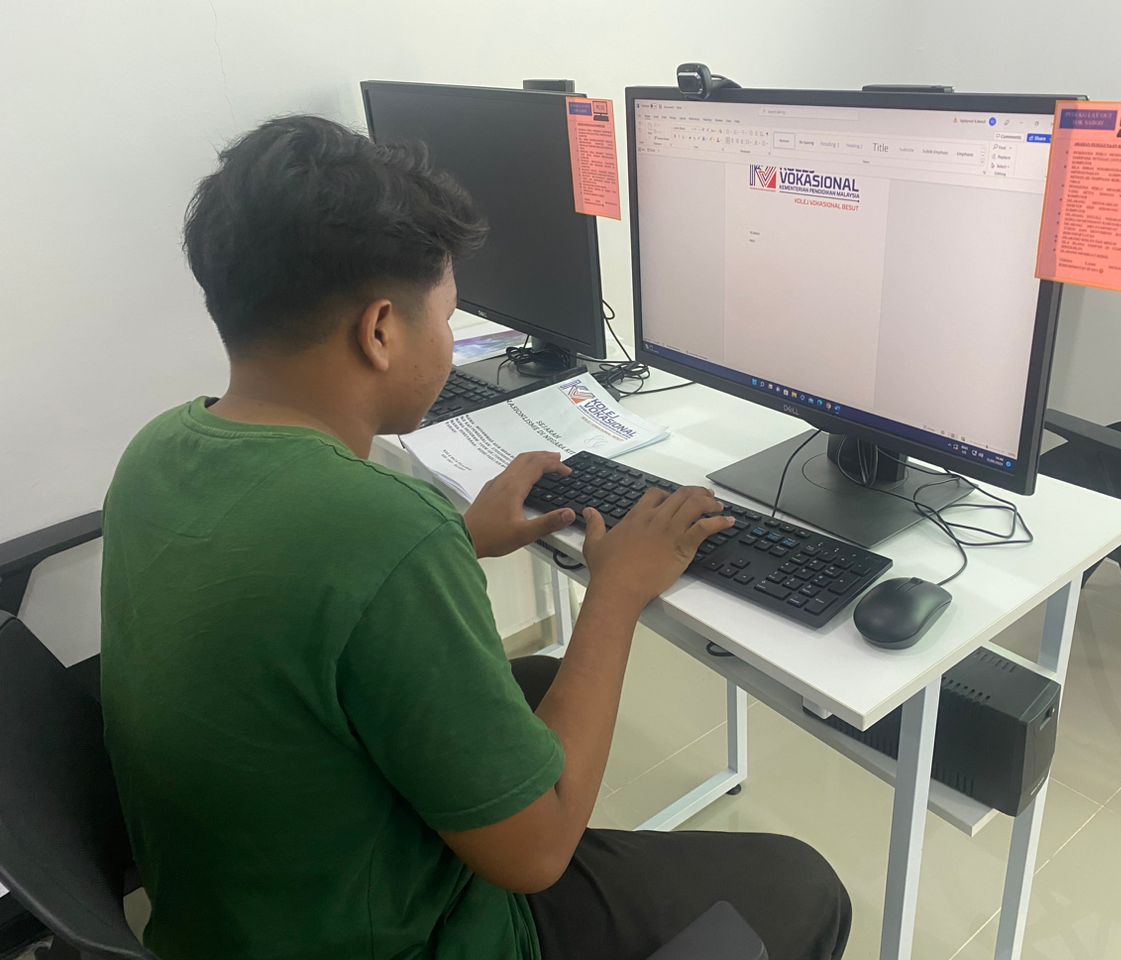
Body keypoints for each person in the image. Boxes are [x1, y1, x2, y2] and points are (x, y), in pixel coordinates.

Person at [100, 114, 851, 960]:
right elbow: (537, 856)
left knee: (539, 680)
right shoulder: (381, 528)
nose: (453, 342)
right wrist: (616, 591)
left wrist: (456, 539)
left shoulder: (159, 449)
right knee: (802, 886)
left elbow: (300, 600)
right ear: (380, 331)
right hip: (397, 941)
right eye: (449, 315)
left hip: (236, 913)